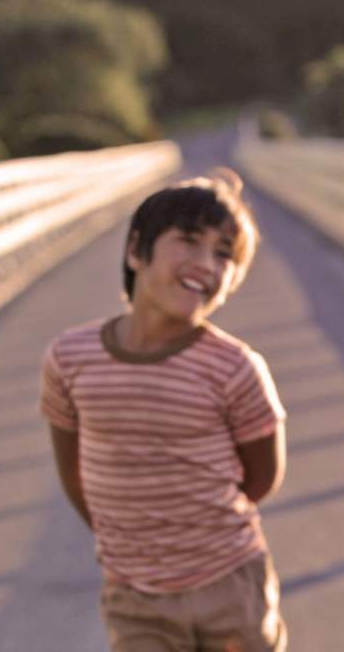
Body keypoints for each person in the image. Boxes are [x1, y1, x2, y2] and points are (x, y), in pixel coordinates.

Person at [41, 170, 287, 652]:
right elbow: (73, 471)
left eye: (224, 254)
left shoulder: (235, 368)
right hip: (135, 594)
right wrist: (129, 538)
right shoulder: (70, 358)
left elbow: (262, 477)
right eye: (190, 241)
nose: (206, 262)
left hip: (230, 583)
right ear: (136, 250)